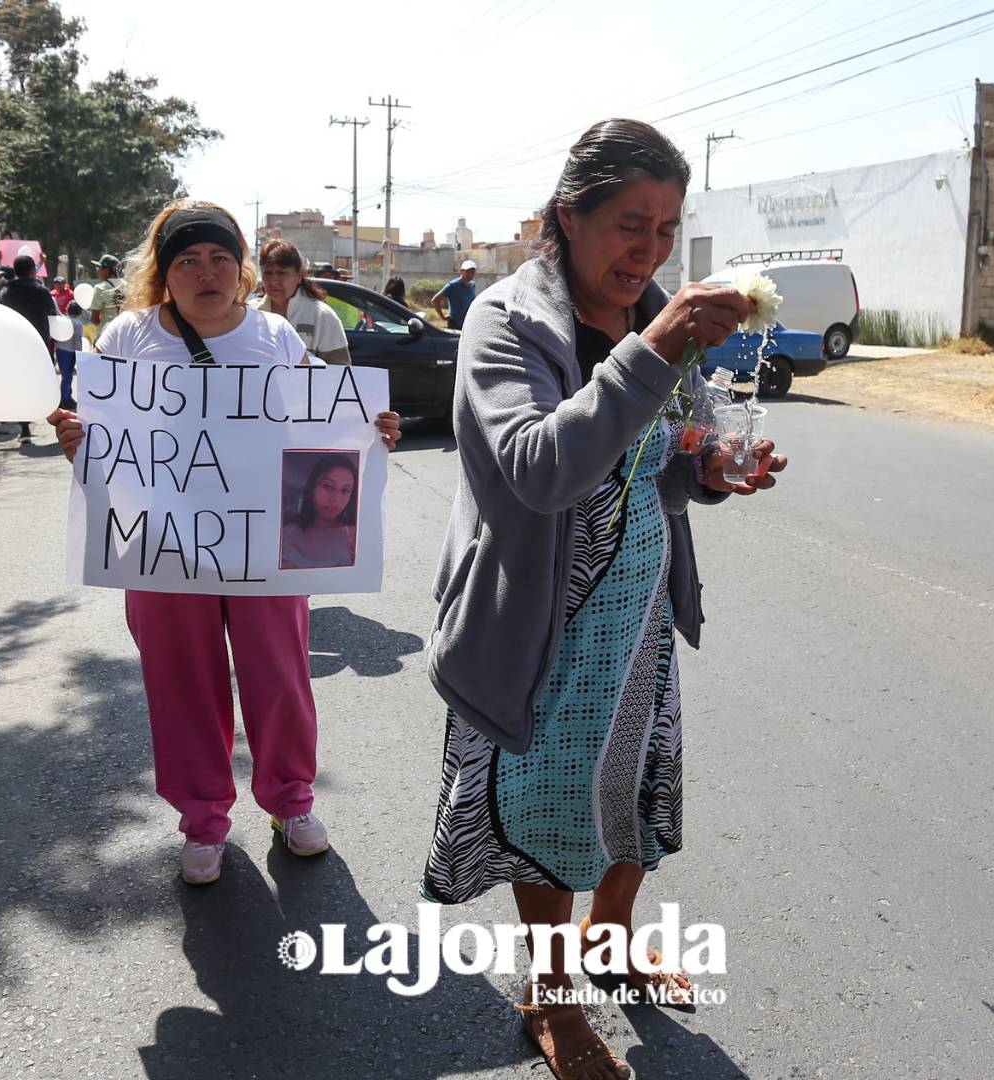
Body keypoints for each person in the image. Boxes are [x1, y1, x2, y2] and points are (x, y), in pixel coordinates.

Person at [421, 119, 787, 1080]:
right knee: (543, 811)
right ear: (566, 218)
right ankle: (551, 1000)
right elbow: (540, 472)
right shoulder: (506, 324)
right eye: (631, 222)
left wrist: (708, 470)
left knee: (633, 786)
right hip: (531, 623)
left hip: (636, 621)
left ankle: (611, 940)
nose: (650, 249)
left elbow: (658, 464)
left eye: (667, 228)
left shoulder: (659, 315)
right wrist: (655, 347)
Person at [46, 200, 403, 886]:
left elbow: (319, 432)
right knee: (180, 684)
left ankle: (291, 802)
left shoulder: (273, 337)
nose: (205, 273)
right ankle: (203, 819)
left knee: (280, 676)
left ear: (239, 268)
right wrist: (76, 447)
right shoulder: (125, 337)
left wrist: (368, 435)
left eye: (218, 259)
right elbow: (104, 447)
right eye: (187, 261)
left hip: (265, 549)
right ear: (165, 271)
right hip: (161, 548)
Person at [256, 239, 350, 365]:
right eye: (268, 273)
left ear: (299, 276)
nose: (273, 281)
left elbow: (340, 372)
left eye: (281, 273)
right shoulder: (252, 314)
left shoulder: (322, 316)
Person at [0, 253, 58, 441]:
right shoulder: (41, 291)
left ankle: (24, 428)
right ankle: (56, 421)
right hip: (38, 344)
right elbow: (52, 313)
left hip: (14, 344)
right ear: (33, 270)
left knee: (19, 384)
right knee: (43, 382)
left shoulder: (6, 291)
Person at [279, 454, 359, 569]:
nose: (335, 499)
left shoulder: (354, 537)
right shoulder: (286, 532)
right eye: (328, 487)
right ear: (312, 487)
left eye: (345, 490)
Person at [432, 259, 478, 329]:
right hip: (455, 325)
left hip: (467, 324)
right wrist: (443, 317)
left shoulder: (472, 285)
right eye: (468, 272)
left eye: (473, 272)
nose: (470, 275)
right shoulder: (452, 286)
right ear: (462, 271)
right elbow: (435, 300)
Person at [58, 301, 86, 409]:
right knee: (68, 376)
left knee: (65, 376)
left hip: (60, 350)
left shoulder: (63, 321)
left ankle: (67, 397)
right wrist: (79, 354)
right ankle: (65, 399)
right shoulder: (77, 324)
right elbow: (77, 341)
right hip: (70, 352)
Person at [87, 253, 124, 333]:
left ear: (107, 270)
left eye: (99, 267)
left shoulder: (100, 288)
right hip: (125, 333)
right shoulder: (128, 285)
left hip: (107, 334)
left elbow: (94, 319)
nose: (97, 270)